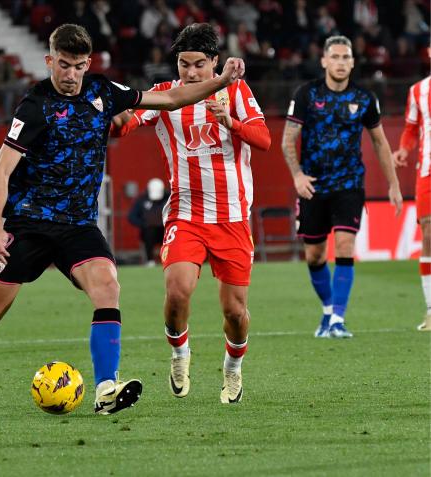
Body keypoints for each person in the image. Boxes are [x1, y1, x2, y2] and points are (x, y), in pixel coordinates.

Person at [0, 24, 245, 415]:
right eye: (63, 65)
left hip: (78, 226)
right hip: (29, 224)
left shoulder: (104, 92)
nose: (70, 75)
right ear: (49, 61)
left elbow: (173, 97)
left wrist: (222, 80)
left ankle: (106, 388)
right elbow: (1, 171)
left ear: (88, 64)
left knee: (107, 287)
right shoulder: (34, 107)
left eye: (77, 66)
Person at [111, 23, 270, 404]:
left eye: (199, 64)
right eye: (184, 64)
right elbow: (125, 127)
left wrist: (229, 122)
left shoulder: (235, 90)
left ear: (214, 62)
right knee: (178, 291)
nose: (191, 73)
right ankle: (180, 355)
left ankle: (232, 370)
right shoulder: (166, 96)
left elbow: (263, 140)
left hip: (232, 217)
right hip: (186, 214)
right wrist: (112, 112)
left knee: (235, 311)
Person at [281, 35, 403, 339]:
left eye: (345, 57)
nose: (340, 62)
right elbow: (287, 139)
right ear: (324, 60)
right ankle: (327, 312)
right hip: (313, 186)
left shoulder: (364, 98)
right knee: (315, 255)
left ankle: (337, 319)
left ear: (352, 61)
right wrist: (297, 175)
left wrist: (394, 184)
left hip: (349, 184)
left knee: (346, 246)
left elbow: (380, 142)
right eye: (334, 57)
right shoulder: (307, 94)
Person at [392, 46, 431, 331]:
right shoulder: (418, 91)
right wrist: (404, 149)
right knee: (428, 233)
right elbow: (410, 128)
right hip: (427, 170)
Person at [128, 178, 168, 266]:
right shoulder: (142, 200)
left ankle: (170, 259)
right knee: (149, 232)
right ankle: (150, 260)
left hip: (165, 230)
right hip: (148, 232)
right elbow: (132, 217)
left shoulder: (169, 198)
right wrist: (143, 224)